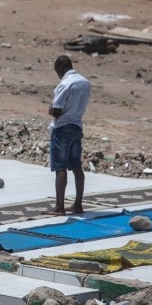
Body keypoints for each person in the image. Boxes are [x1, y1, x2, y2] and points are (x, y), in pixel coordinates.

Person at [44, 55, 91, 216]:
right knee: (76, 167)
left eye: (58, 72)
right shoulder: (84, 82)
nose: (58, 75)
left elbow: (56, 111)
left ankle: (59, 207)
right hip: (77, 126)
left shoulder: (65, 84)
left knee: (60, 167)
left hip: (63, 128)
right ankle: (78, 204)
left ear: (61, 69)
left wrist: (51, 109)